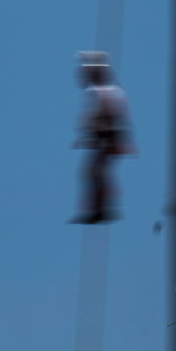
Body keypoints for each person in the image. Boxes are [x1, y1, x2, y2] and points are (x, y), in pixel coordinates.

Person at [73, 51, 133, 224]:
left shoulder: (103, 91)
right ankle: (100, 210)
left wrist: (94, 132)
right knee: (96, 173)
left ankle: (100, 210)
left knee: (96, 173)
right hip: (108, 138)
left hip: (108, 139)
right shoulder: (109, 90)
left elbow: (108, 116)